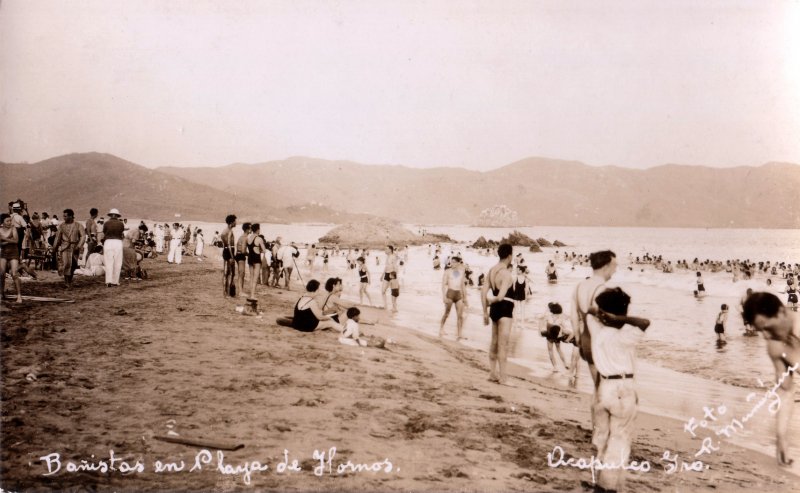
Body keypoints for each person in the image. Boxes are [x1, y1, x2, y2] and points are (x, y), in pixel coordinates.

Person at [588, 287, 651, 492]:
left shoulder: (599, 334)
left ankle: (600, 481)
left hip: (604, 387)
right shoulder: (624, 336)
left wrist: (605, 315)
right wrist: (619, 317)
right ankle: (608, 486)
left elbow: (590, 313)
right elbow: (644, 322)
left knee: (603, 438)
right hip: (622, 388)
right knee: (620, 438)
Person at [742, 292, 799, 467]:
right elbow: (785, 389)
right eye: (760, 331)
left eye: (768, 328)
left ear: (781, 312)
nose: (766, 336)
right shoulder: (775, 344)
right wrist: (781, 436)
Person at [570, 250, 618, 388]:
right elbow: (606, 322)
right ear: (605, 266)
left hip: (586, 339)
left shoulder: (579, 286)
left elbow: (573, 315)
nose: (615, 270)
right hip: (600, 343)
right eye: (614, 266)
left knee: (598, 386)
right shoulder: (603, 290)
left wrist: (578, 337)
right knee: (606, 387)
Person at [481, 243, 515, 386]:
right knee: (503, 345)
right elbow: (501, 296)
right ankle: (504, 378)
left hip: (494, 311)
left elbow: (483, 291)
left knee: (494, 342)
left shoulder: (492, 271)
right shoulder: (506, 273)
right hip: (505, 308)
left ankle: (492, 374)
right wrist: (491, 301)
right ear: (509, 256)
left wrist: (485, 311)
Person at [53, 209, 86, 288]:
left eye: (65, 216)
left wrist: (79, 246)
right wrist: (54, 248)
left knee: (74, 265)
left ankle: (69, 280)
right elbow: (57, 238)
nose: (64, 218)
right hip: (65, 248)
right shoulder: (61, 226)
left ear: (71, 216)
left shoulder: (78, 225)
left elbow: (83, 236)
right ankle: (67, 282)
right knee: (66, 264)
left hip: (75, 248)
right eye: (63, 216)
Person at [440, 255, 469, 340]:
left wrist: (465, 298)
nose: (451, 263)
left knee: (460, 316)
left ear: (458, 263)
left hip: (458, 294)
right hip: (450, 293)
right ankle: (441, 329)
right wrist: (444, 296)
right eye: (451, 262)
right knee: (446, 313)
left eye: (453, 262)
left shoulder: (461, 271)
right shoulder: (447, 271)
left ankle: (459, 334)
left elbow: (462, 285)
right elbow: (443, 285)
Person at [0, 213, 23, 303]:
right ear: (2, 222)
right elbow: (0, 244)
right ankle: (1, 293)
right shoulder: (0, 230)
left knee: (14, 273)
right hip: (4, 253)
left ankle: (19, 295)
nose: (9, 222)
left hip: (14, 252)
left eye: (10, 220)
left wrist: (4, 239)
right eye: (7, 221)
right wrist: (9, 241)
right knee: (1, 274)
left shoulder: (13, 228)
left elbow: (16, 241)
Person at [544, 302, 572, 371]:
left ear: (552, 310)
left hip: (550, 336)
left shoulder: (548, 317)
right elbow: (564, 327)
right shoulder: (560, 319)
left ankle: (555, 367)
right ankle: (565, 363)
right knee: (559, 350)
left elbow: (543, 319)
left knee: (550, 351)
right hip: (557, 337)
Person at [102, 209, 125, 287]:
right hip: (118, 242)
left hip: (108, 242)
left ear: (110, 215)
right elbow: (121, 233)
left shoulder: (106, 223)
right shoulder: (121, 224)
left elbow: (104, 232)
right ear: (117, 215)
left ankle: (108, 281)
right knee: (117, 262)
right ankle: (115, 281)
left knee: (108, 262)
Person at [246, 224, 268, 299]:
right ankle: (252, 295)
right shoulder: (259, 238)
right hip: (256, 257)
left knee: (251, 277)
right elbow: (264, 250)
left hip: (250, 257)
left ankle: (250, 294)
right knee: (255, 277)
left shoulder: (248, 238)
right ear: (258, 229)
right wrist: (261, 250)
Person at [221, 215, 237, 297]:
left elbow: (225, 244)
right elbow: (229, 245)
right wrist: (232, 256)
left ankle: (226, 291)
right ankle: (227, 292)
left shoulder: (225, 231)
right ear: (231, 222)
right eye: (235, 221)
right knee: (230, 272)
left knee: (227, 272)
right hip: (229, 251)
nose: (236, 223)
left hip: (226, 250)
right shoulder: (229, 231)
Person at [381, 245, 400, 312]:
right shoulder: (388, 257)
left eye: (386, 249)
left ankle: (394, 307)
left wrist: (395, 277)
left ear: (390, 250)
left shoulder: (393, 257)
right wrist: (382, 275)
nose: (385, 250)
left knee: (393, 292)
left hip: (392, 274)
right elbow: (386, 266)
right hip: (386, 274)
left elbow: (395, 267)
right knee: (383, 291)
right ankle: (385, 305)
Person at [235, 223, 251, 295]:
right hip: (241, 256)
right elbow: (243, 250)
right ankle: (240, 291)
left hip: (238, 255)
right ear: (247, 229)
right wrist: (250, 254)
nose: (251, 230)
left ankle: (240, 291)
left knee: (241, 273)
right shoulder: (245, 237)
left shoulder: (241, 236)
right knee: (241, 274)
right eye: (250, 228)